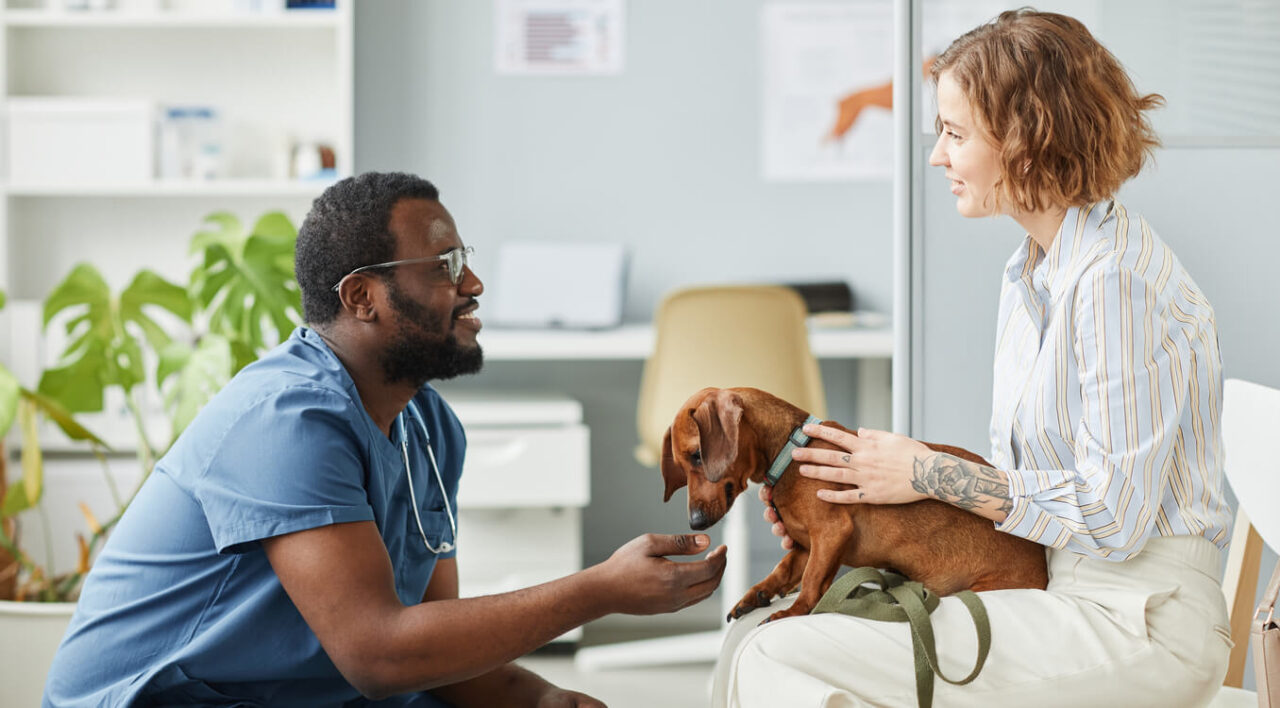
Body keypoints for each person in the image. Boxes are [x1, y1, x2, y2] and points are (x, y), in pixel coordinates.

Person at [43, 172, 728, 707]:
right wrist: (600, 590)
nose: (474, 284)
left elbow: (435, 646)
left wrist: (540, 698)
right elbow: (379, 655)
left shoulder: (428, 428)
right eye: (445, 266)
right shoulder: (285, 421)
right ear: (362, 296)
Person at [714, 9, 1232, 707]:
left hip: (1136, 623)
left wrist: (925, 471)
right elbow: (1036, 490)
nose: (937, 156)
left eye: (954, 134)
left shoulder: (1116, 282)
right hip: (1060, 588)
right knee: (752, 630)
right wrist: (852, 507)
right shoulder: (1032, 274)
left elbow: (1114, 516)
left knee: (784, 650)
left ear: (1025, 139)